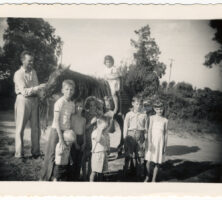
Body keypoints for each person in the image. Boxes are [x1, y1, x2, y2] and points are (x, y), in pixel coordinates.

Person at [13, 50, 46, 159]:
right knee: (20, 128)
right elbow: (24, 91)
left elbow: (36, 90)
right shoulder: (18, 74)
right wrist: (38, 88)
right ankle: (19, 154)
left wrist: (42, 95)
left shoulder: (34, 72)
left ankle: (36, 153)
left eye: (32, 61)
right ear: (23, 61)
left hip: (34, 101)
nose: (31, 63)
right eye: (29, 61)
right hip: (23, 100)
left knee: (36, 128)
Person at [40, 79, 75, 181]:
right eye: (67, 89)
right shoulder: (59, 102)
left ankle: (59, 176)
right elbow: (56, 121)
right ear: (62, 90)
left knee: (63, 154)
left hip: (66, 132)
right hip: (57, 131)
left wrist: (69, 133)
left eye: (71, 90)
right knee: (51, 154)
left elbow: (70, 119)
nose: (69, 91)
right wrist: (61, 139)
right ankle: (46, 177)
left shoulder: (72, 104)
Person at [123, 96, 148, 180]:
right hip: (130, 135)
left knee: (139, 156)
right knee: (128, 156)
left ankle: (139, 174)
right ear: (133, 103)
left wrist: (145, 139)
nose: (138, 106)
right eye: (137, 104)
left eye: (140, 104)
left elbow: (146, 129)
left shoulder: (144, 115)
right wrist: (125, 138)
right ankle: (125, 173)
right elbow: (125, 127)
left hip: (140, 135)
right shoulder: (128, 114)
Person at [144, 101, 168, 182]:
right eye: (157, 109)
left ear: (163, 109)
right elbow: (149, 130)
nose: (159, 111)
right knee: (148, 161)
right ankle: (147, 176)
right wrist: (150, 142)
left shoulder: (165, 120)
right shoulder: (152, 118)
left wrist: (164, 146)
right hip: (152, 142)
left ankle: (153, 179)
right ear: (154, 109)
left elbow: (165, 134)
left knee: (157, 162)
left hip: (160, 143)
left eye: (161, 109)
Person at [90, 115, 111, 182]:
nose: (106, 128)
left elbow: (108, 141)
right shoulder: (95, 132)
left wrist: (108, 149)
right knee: (94, 171)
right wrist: (100, 130)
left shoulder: (105, 133)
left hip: (104, 153)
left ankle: (100, 184)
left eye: (106, 126)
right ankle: (91, 184)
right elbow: (98, 140)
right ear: (99, 124)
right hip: (97, 154)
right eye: (104, 126)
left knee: (102, 171)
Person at [70, 98, 86, 181]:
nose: (79, 108)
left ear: (83, 107)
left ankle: (77, 177)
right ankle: (72, 177)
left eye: (80, 106)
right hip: (74, 139)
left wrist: (84, 143)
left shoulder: (84, 119)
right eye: (77, 107)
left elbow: (83, 132)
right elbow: (72, 130)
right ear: (75, 108)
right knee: (73, 159)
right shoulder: (73, 117)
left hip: (81, 139)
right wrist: (75, 143)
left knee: (79, 160)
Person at [82, 96, 98, 180]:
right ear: (88, 106)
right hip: (86, 139)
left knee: (92, 160)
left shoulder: (98, 115)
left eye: (94, 105)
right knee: (84, 159)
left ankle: (90, 177)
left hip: (94, 141)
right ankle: (84, 177)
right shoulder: (85, 115)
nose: (92, 107)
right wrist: (91, 123)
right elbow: (83, 128)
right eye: (91, 105)